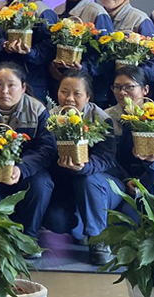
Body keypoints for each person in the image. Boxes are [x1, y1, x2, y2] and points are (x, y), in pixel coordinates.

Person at [0, 62, 56, 256]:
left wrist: (21, 169)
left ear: (23, 87)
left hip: (26, 173)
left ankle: (29, 239)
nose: (4, 91)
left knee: (41, 183)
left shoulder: (37, 110)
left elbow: (46, 149)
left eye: (11, 85)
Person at [42, 70, 121, 265]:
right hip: (68, 189)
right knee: (55, 220)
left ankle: (98, 240)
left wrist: (83, 167)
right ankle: (79, 228)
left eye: (77, 93)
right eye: (64, 92)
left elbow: (106, 159)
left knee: (87, 180)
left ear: (88, 96)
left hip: (101, 185)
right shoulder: (50, 118)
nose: (69, 98)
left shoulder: (101, 119)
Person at [104, 66, 154, 196]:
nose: (122, 92)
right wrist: (126, 179)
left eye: (129, 87)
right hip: (120, 178)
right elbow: (106, 157)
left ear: (145, 90)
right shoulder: (106, 117)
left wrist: (152, 162)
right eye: (117, 87)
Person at [51, 0, 114, 103]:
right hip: (61, 82)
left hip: (90, 85)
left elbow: (106, 53)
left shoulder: (96, 12)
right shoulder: (56, 11)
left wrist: (84, 68)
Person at [94, 0, 154, 96]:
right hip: (103, 88)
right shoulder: (96, 16)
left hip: (131, 90)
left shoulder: (139, 19)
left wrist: (139, 76)